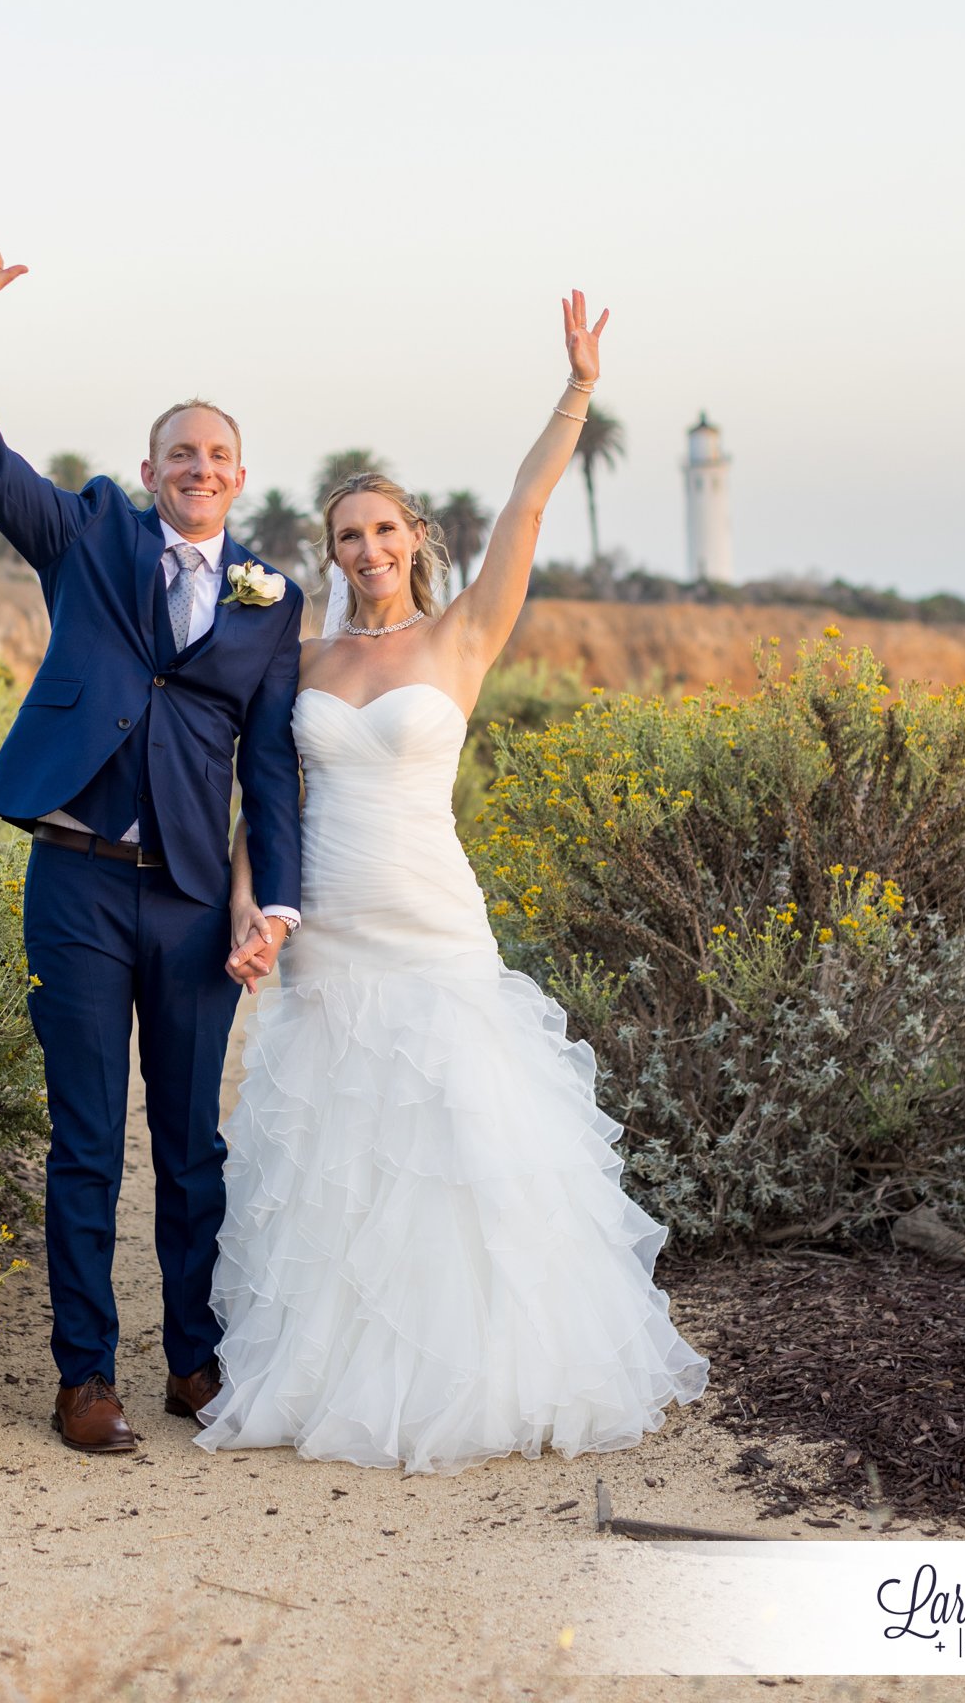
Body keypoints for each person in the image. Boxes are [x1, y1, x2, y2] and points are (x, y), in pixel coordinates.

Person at [198, 292, 709, 1474]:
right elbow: (264, 801)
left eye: (382, 532)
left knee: (457, 1137)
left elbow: (528, 503)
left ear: (414, 538)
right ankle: (331, 1368)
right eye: (345, 538)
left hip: (429, 920)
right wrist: (247, 909)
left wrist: (576, 388)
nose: (366, 552)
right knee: (338, 1154)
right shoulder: (307, 657)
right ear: (329, 555)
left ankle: (477, 1371)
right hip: (326, 928)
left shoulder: (466, 635)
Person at [0, 218, 303, 1455]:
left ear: (239, 482)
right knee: (87, 1140)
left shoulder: (271, 603)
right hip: (75, 885)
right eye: (178, 452)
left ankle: (193, 1360)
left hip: (194, 900)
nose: (197, 467)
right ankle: (83, 1374)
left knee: (191, 1146)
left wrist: (272, 901)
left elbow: (268, 768)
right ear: (148, 473)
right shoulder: (85, 537)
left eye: (217, 456)